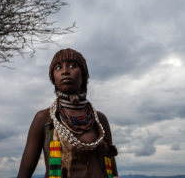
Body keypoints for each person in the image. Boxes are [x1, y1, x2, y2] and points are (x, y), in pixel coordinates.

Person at [17, 48, 119, 178]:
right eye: (58, 68)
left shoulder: (99, 119)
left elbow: (113, 173)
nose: (65, 71)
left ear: (84, 74)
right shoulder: (44, 119)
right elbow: (24, 174)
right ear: (53, 78)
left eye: (72, 66)